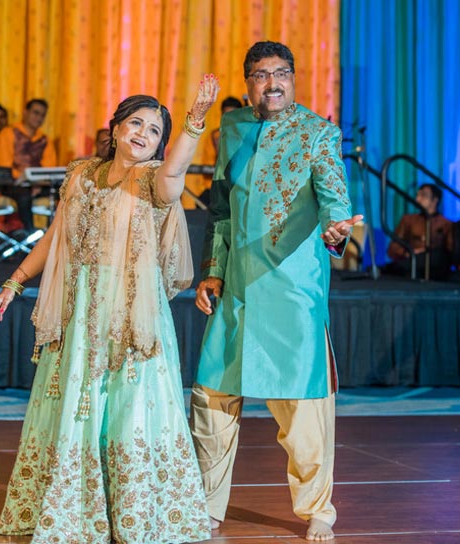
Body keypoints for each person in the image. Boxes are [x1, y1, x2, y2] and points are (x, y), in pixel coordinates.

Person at [0, 77, 220, 543]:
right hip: (78, 315)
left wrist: (196, 118)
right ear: (115, 127)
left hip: (131, 314)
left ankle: (134, 515)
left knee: (128, 409)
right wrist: (14, 283)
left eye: (154, 130)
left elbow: (176, 171)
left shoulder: (154, 181)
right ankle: (76, 510)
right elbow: (55, 239)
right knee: (79, 409)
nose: (142, 133)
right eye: (135, 122)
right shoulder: (80, 175)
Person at [190, 41, 361, 542]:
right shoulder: (233, 127)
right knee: (211, 398)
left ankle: (318, 510)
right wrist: (213, 269)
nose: (272, 83)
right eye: (261, 75)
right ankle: (207, 506)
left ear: (294, 77)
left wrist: (337, 230)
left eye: (280, 73)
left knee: (303, 412)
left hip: (292, 291)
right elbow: (220, 206)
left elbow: (335, 199)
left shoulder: (318, 133)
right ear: (248, 83)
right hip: (239, 288)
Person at [0, 98, 58, 230]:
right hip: (12, 184)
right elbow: (4, 168)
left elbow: (50, 169)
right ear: (25, 113)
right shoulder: (8, 134)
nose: (39, 118)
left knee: (66, 193)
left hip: (38, 186)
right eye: (36, 113)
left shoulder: (45, 140)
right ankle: (30, 237)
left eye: (42, 115)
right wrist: (28, 182)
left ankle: (55, 238)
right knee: (24, 195)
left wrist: (38, 184)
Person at [386, 183, 454, 280]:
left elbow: (450, 251)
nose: (418, 199)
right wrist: (408, 252)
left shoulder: (446, 223)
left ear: (435, 200)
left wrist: (427, 251)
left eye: (423, 195)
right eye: (418, 195)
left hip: (435, 267)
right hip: (410, 262)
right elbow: (393, 247)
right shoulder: (408, 220)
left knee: (435, 258)